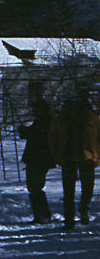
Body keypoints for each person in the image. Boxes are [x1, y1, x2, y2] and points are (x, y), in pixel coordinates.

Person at [49, 95, 99, 230]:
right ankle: (71, 217)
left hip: (85, 156)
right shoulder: (63, 118)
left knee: (83, 188)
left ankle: (80, 211)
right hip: (71, 156)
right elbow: (53, 137)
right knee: (72, 189)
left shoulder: (90, 117)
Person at [18, 99, 54, 224]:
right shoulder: (44, 120)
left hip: (39, 158)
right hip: (38, 158)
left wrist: (24, 131)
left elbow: (37, 136)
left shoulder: (44, 120)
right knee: (35, 187)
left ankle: (42, 215)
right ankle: (41, 214)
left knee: (35, 187)